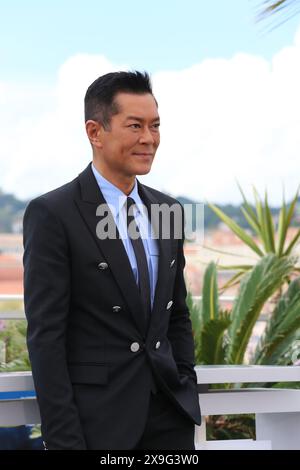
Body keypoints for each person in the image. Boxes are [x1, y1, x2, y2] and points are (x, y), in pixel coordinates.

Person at [23, 71, 201, 450]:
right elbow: (46, 337)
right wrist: (64, 439)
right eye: (134, 125)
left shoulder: (168, 210)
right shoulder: (54, 213)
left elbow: (177, 315)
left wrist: (185, 383)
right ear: (95, 131)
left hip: (170, 421)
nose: (148, 139)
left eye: (155, 126)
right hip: (97, 425)